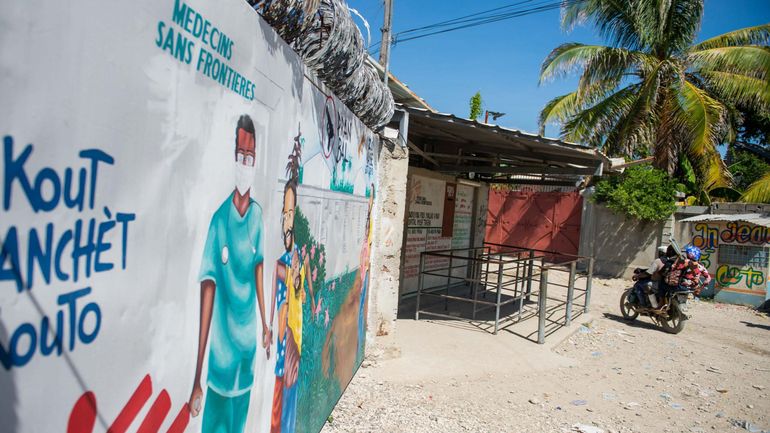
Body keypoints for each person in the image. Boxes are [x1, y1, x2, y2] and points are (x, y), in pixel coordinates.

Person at [188, 115, 269, 433]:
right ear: (234, 156)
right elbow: (207, 295)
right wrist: (197, 378)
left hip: (246, 359)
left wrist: (265, 324)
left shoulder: (258, 216)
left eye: (250, 157)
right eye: (240, 155)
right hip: (220, 366)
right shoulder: (219, 222)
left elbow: (259, 267)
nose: (245, 163)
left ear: (255, 160)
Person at [269, 129, 315, 433]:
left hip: (294, 351)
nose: (287, 221)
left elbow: (301, 290)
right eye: (284, 213)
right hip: (283, 355)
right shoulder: (281, 260)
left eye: (291, 213)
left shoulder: (296, 255)